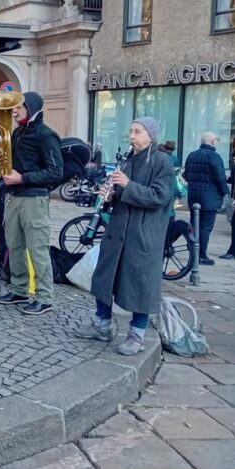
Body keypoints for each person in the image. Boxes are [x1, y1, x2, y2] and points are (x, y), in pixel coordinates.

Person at [76, 117, 174, 355]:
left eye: (137, 132)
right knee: (104, 277)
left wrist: (127, 185)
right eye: (131, 131)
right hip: (117, 231)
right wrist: (110, 196)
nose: (131, 136)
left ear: (150, 136)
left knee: (140, 283)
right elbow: (120, 194)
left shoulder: (162, 161)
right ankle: (102, 324)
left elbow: (159, 197)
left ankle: (136, 334)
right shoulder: (127, 159)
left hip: (142, 234)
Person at [0, 92, 63, 316]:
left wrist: (22, 178)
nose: (13, 112)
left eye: (18, 107)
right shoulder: (17, 132)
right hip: (13, 196)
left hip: (34, 198)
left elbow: (56, 171)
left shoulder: (46, 135)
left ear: (31, 108)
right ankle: (19, 290)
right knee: (14, 247)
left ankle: (44, 297)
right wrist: (0, 153)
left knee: (37, 249)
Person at [183, 132, 229, 266]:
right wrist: (225, 192)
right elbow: (220, 178)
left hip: (194, 197)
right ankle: (201, 255)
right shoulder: (214, 156)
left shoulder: (192, 155)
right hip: (210, 198)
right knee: (205, 227)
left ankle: (193, 251)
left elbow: (186, 175)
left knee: (194, 225)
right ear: (213, 141)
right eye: (217, 140)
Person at [222, 137, 235, 260]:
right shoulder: (233, 159)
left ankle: (233, 251)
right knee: (234, 223)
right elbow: (233, 179)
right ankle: (233, 250)